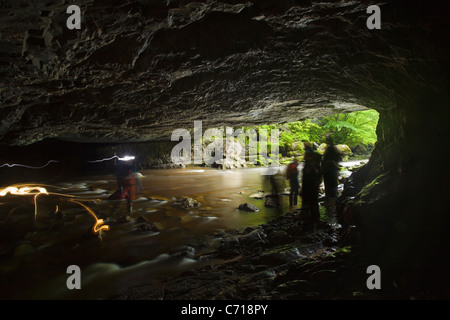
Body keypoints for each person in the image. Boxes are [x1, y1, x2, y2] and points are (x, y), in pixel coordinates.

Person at [300, 142, 322, 230]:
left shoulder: (310, 165)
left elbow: (306, 178)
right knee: (313, 203)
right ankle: (315, 219)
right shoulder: (315, 165)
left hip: (310, 188)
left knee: (309, 202)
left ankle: (310, 220)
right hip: (313, 187)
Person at [321, 137, 342, 216]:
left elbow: (338, 158)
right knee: (330, 186)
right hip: (330, 170)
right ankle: (330, 201)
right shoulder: (334, 149)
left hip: (330, 170)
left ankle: (332, 202)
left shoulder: (331, 149)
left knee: (331, 186)